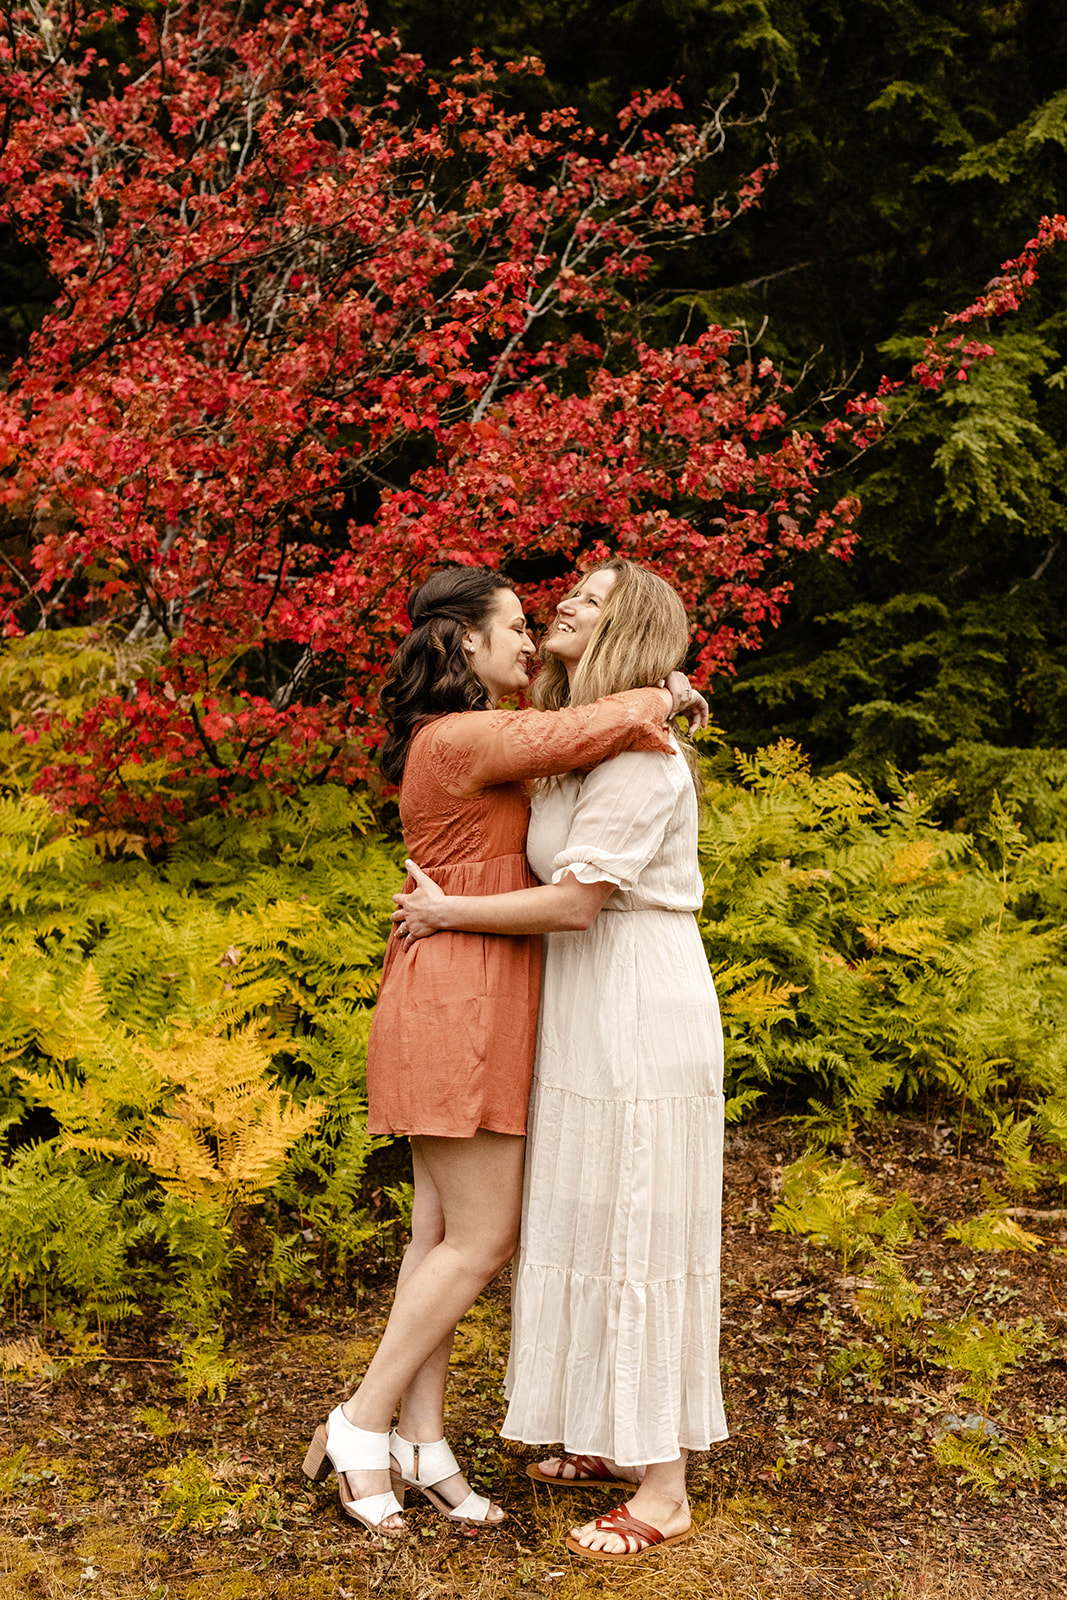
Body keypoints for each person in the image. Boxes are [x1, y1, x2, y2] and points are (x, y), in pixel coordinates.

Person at [303, 564, 702, 1537]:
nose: (536, 631)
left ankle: (423, 1439)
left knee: (450, 1235)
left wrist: (654, 699)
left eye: (563, 611)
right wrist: (667, 689)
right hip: (469, 996)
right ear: (464, 645)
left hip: (527, 993)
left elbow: (575, 812)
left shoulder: (545, 751)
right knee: (474, 1239)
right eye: (517, 623)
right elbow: (569, 735)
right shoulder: (475, 737)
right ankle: (363, 1426)